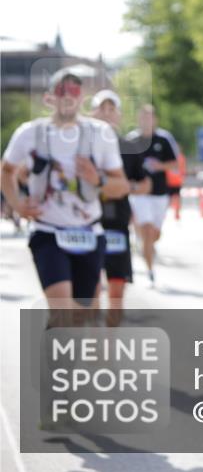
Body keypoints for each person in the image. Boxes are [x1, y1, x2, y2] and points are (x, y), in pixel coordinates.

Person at [0, 68, 128, 326]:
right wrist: (17, 205)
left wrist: (98, 179)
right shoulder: (30, 132)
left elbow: (121, 185)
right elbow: (7, 171)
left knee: (81, 316)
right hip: (48, 233)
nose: (68, 96)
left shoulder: (100, 133)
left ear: (82, 98)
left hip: (89, 233)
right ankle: (58, 362)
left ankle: (58, 355)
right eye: (62, 90)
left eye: (75, 90)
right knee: (63, 313)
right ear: (49, 98)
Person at [89, 89, 152, 326]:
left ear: (119, 115)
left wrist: (124, 188)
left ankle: (109, 345)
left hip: (117, 224)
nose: (106, 113)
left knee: (116, 289)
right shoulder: (80, 145)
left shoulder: (129, 147)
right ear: (92, 112)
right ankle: (93, 345)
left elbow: (145, 184)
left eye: (111, 108)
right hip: (87, 225)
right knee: (91, 289)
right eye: (101, 108)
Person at [125, 105, 178, 287]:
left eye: (150, 117)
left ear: (155, 120)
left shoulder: (163, 140)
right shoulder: (132, 140)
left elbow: (174, 163)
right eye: (143, 117)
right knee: (147, 230)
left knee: (155, 234)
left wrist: (159, 166)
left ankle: (144, 245)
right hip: (140, 194)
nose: (146, 120)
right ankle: (150, 271)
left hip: (160, 194)